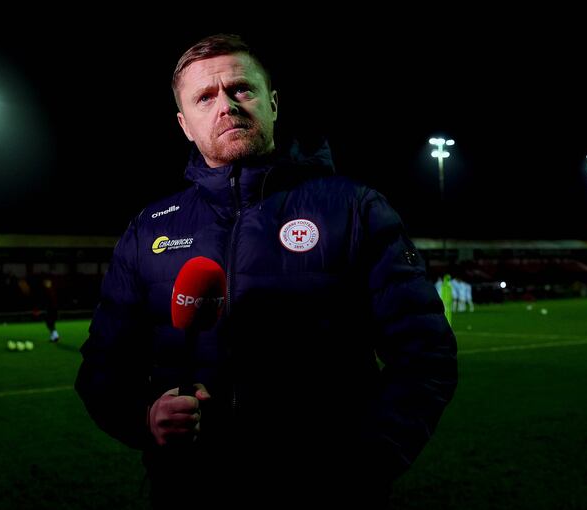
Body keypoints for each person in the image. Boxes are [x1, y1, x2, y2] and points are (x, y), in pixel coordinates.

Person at [75, 34, 458, 509]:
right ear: (184, 125)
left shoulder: (354, 208)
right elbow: (102, 369)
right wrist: (146, 417)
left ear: (273, 103)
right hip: (190, 489)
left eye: (241, 89)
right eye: (204, 97)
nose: (226, 105)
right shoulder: (148, 228)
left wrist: (365, 466)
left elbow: (426, 355)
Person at [15, 273, 60, 342]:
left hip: (51, 305)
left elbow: (43, 298)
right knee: (49, 321)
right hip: (48, 305)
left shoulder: (41, 289)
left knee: (50, 321)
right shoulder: (38, 288)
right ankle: (54, 335)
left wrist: (37, 309)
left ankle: (55, 335)